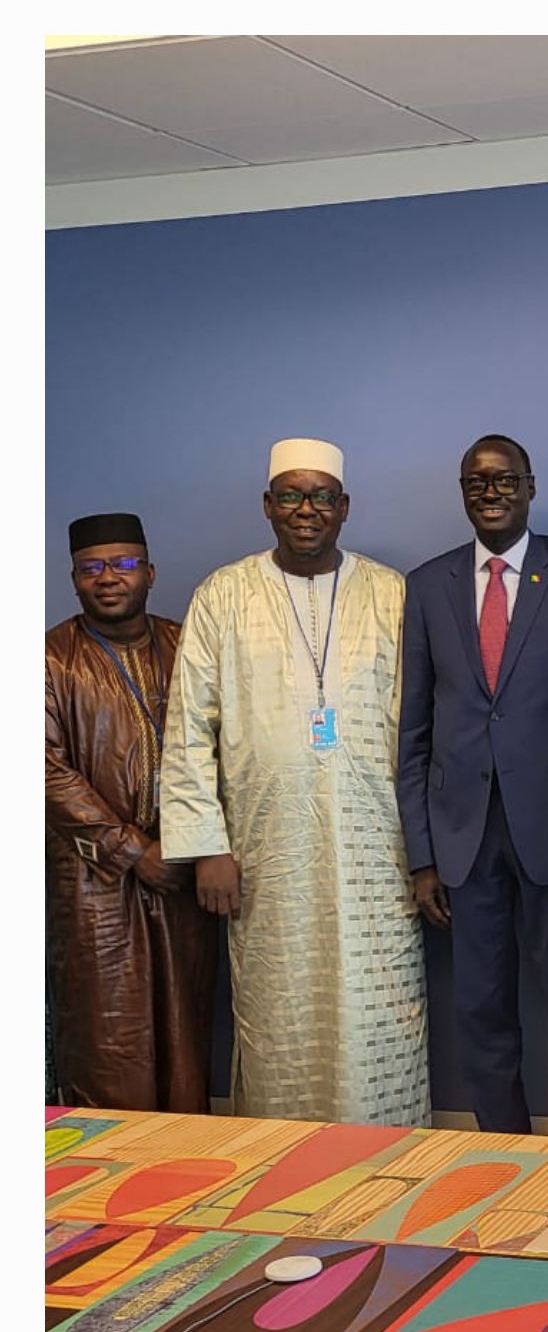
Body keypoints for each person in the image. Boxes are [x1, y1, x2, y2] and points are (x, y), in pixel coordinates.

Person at [156, 439, 428, 1122]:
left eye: (321, 497)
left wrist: (427, 852)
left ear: (344, 508)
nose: (306, 510)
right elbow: (190, 726)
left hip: (378, 851)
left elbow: (425, 730)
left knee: (381, 1011)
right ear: (267, 506)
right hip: (264, 850)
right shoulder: (223, 593)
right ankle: (280, 1174)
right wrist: (207, 846)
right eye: (290, 496)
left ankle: (386, 1165)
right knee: (279, 1011)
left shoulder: (391, 592)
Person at [398, 435, 548, 1136]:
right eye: (476, 483)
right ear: (462, 492)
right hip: (463, 838)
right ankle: (504, 1158)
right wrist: (422, 855)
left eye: (504, 481)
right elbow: (413, 726)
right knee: (480, 1009)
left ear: (530, 487)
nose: (490, 493)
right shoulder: (428, 584)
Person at [46, 513, 222, 1111]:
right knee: (107, 1041)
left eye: (122, 565)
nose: (108, 579)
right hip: (94, 884)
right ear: (74, 580)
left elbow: (225, 745)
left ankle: (189, 1183)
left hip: (183, 870)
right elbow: (42, 767)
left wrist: (188, 844)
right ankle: (98, 1188)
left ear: (148, 572)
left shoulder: (186, 644)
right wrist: (128, 850)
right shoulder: (48, 658)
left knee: (186, 1040)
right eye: (92, 568)